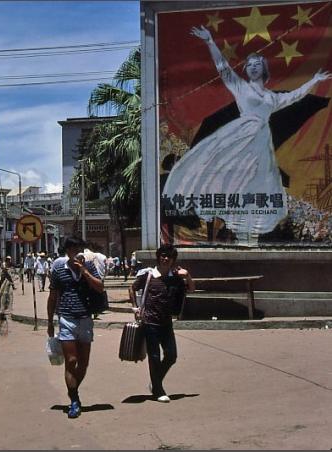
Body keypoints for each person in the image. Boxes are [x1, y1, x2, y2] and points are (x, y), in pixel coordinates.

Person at [162, 25, 332, 241]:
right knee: (228, 176)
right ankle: (226, 222)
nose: (252, 67)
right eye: (249, 64)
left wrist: (314, 80)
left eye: (257, 64)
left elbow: (296, 96)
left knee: (256, 183)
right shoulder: (241, 88)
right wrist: (210, 41)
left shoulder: (272, 98)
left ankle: (246, 234)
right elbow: (224, 69)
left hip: (261, 143)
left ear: (264, 69)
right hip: (239, 137)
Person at [128, 244, 195, 403]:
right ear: (158, 257)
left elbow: (191, 289)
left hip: (166, 322)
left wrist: (188, 275)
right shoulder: (149, 275)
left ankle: (155, 382)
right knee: (154, 356)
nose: (165, 259)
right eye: (163, 256)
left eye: (169, 257)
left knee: (171, 355)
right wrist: (135, 308)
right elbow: (132, 288)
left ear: (173, 260)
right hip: (150, 322)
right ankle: (158, 390)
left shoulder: (176, 278)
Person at [46, 236, 104, 419]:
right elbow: (53, 296)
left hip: (85, 318)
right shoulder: (58, 270)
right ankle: (74, 399)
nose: (75, 252)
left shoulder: (89, 266)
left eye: (78, 248)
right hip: (67, 319)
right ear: (67, 251)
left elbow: (100, 287)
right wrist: (49, 320)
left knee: (83, 363)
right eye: (71, 249)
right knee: (71, 360)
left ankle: (73, 390)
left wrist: (85, 271)